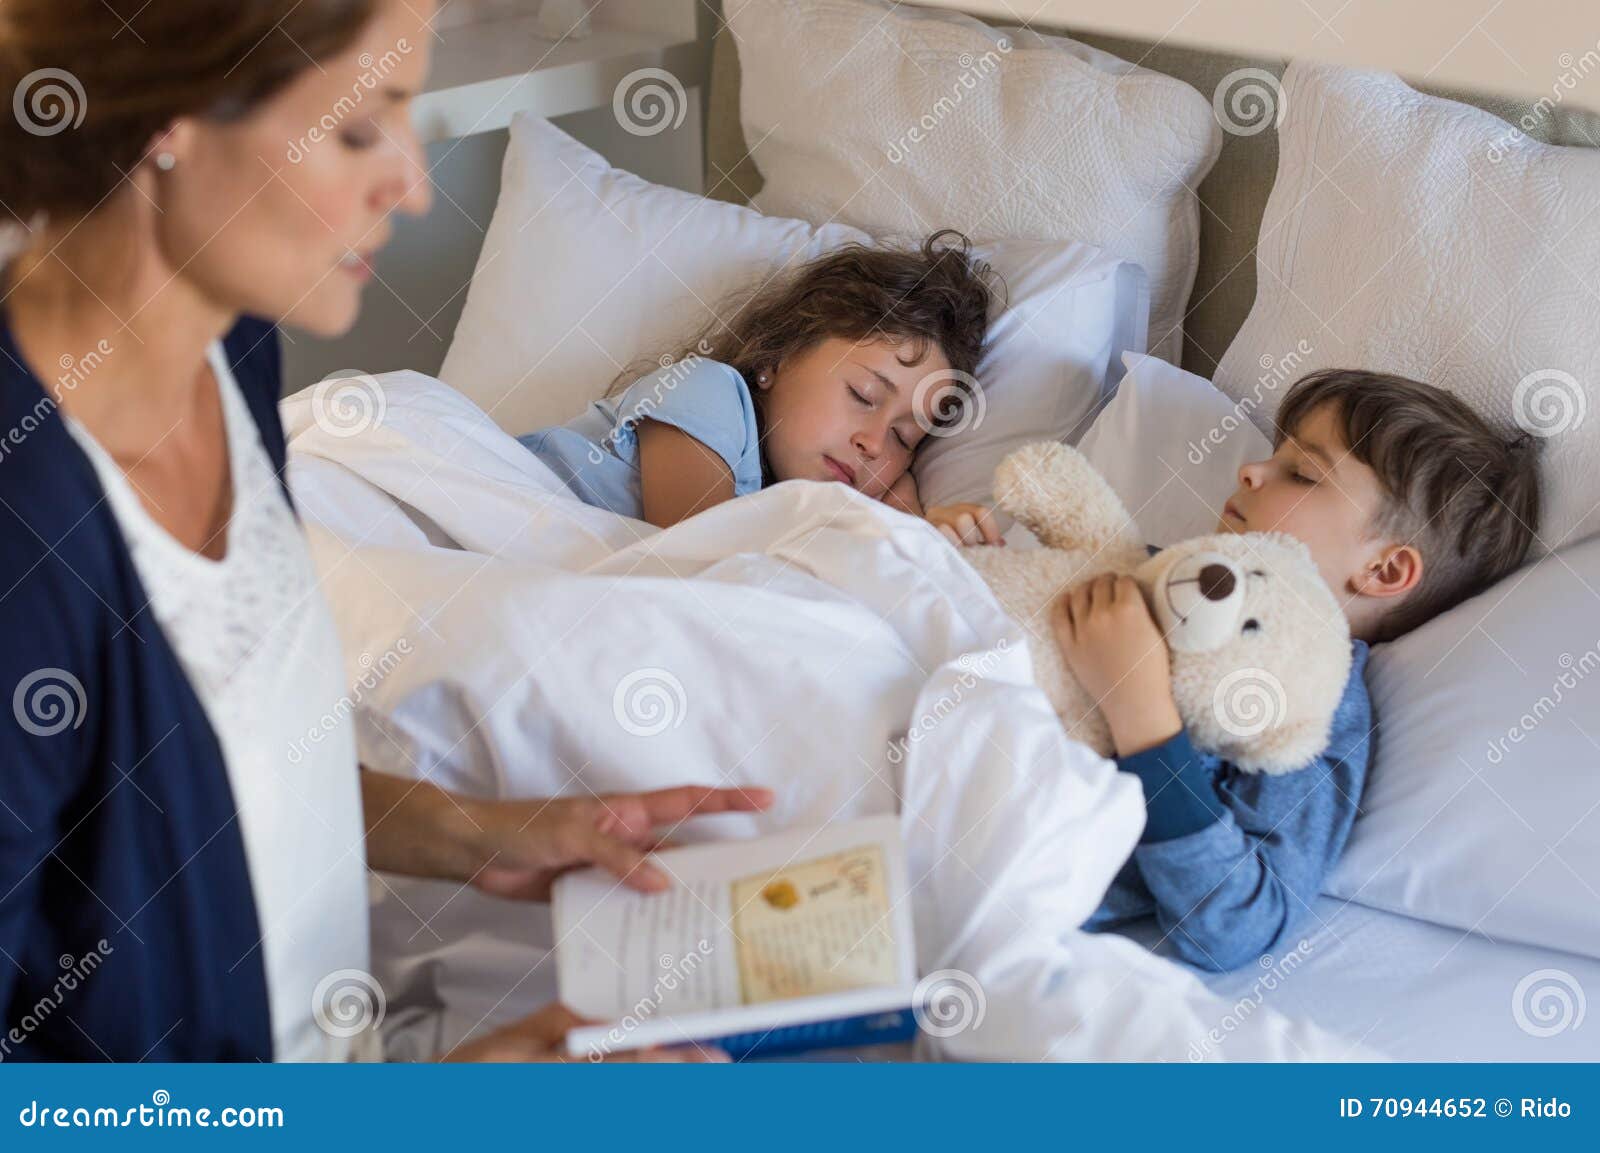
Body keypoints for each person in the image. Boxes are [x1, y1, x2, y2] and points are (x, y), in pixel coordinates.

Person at [0, 0, 768, 1062]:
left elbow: (201, 787)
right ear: (166, 121)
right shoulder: (26, 537)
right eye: (361, 127)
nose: (411, 183)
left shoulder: (229, 350)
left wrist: (474, 832)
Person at [944, 369, 1541, 970]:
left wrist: (1142, 715)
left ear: (1384, 571)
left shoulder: (1316, 707)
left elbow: (1236, 925)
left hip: (963, 847)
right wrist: (948, 561)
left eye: (1303, 473)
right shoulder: (1156, 572)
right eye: (1272, 457)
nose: (1250, 472)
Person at [518, 231, 1005, 532]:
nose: (874, 443)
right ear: (779, 354)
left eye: (904, 438)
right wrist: (884, 525)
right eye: (863, 395)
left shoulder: (788, 500)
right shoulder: (707, 396)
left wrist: (906, 516)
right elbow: (700, 574)